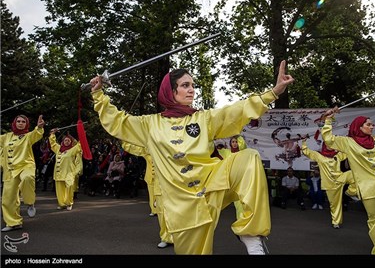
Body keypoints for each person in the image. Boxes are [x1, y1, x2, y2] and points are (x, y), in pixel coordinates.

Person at [89, 60, 294, 255]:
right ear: (171, 90)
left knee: (248, 158)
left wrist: (273, 93)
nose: (192, 90)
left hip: (213, 186)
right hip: (183, 209)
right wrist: (98, 94)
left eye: (193, 85)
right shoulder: (149, 125)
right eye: (185, 85)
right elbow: (117, 121)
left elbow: (236, 110)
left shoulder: (203, 119)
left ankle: (250, 234)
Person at [322, 108, 375, 254]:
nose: (372, 127)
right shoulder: (348, 143)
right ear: (359, 127)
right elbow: (329, 140)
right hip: (370, 189)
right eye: (368, 124)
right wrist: (328, 120)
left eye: (372, 124)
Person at [121, 141, 174, 249]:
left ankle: (178, 236)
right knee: (161, 212)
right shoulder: (148, 149)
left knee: (175, 211)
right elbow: (132, 147)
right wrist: (121, 134)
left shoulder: (172, 144)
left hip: (172, 183)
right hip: (157, 183)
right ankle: (165, 237)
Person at [1, 115, 44, 232]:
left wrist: (39, 128)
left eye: (23, 121)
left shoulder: (27, 136)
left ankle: (30, 203)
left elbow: (36, 134)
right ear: (14, 123)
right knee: (8, 199)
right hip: (10, 170)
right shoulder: (5, 137)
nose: (20, 123)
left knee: (27, 178)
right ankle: (13, 223)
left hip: (26, 166)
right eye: (18, 121)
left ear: (26, 124)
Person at [301, 140, 358, 228]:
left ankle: (350, 192)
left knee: (355, 174)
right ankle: (336, 222)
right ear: (324, 145)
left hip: (340, 178)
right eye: (329, 145)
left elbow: (349, 151)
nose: (331, 146)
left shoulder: (338, 155)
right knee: (334, 204)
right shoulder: (319, 156)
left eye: (332, 144)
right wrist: (304, 142)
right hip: (330, 184)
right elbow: (306, 152)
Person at [49, 129, 83, 211]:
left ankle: (69, 203)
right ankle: (62, 204)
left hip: (69, 173)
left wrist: (82, 134)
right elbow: (53, 144)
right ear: (62, 141)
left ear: (71, 142)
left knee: (69, 187)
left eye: (68, 140)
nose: (67, 141)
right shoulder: (58, 149)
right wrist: (52, 134)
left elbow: (79, 145)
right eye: (65, 140)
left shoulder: (72, 150)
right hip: (58, 173)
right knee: (59, 189)